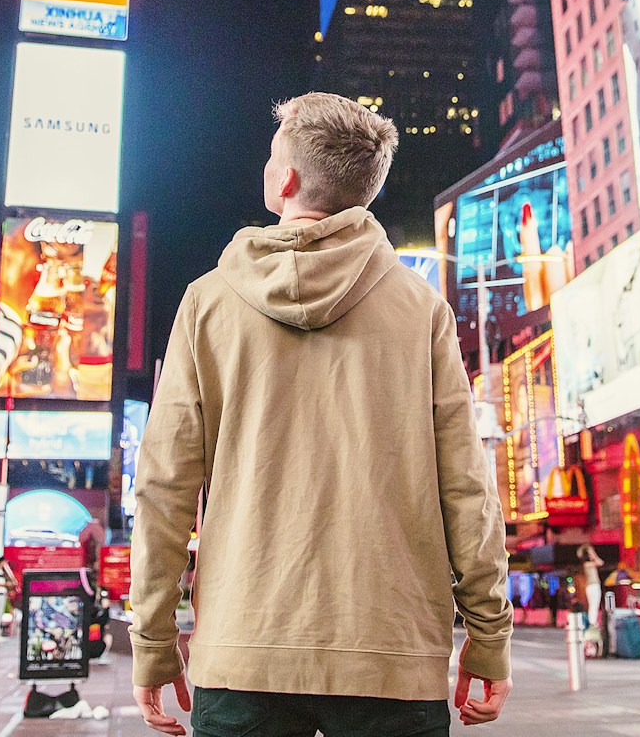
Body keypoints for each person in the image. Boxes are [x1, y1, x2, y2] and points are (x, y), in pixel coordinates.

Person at [131, 94, 513, 736]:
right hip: (391, 655)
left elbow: (164, 486)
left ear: (285, 180)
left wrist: (154, 639)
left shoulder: (208, 303)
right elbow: (468, 489)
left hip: (241, 652)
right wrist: (488, 632)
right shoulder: (422, 310)